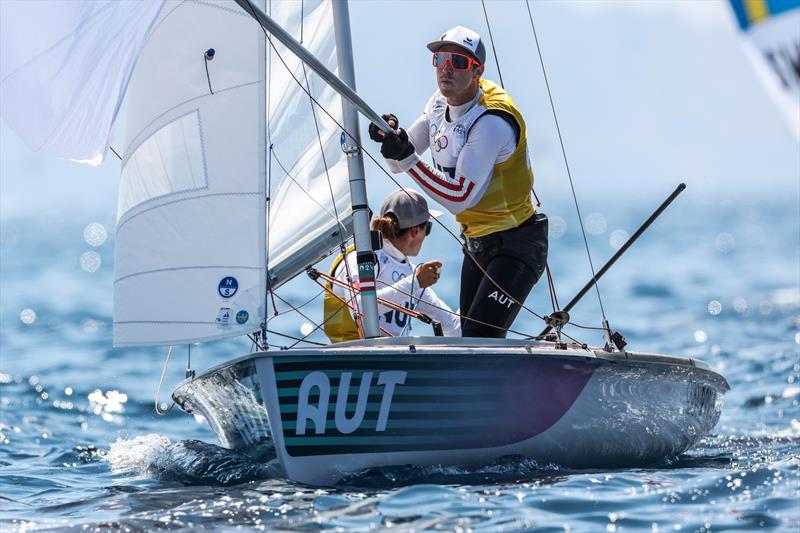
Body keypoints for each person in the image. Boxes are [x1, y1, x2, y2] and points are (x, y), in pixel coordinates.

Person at [368, 26, 548, 338]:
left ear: (477, 71)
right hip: (477, 243)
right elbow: (399, 163)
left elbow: (459, 197)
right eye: (440, 59)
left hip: (517, 244)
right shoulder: (438, 103)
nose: (446, 69)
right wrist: (391, 140)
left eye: (459, 62)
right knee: (469, 338)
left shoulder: (492, 121)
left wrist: (407, 156)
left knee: (479, 338)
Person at [323, 189, 461, 343]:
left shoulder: (409, 271)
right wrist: (415, 283)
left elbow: (452, 326)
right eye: (427, 228)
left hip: (389, 358)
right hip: (351, 356)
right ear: (415, 231)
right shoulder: (362, 259)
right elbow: (362, 308)